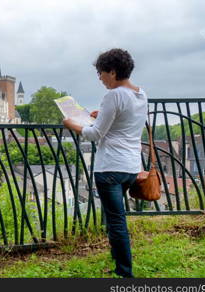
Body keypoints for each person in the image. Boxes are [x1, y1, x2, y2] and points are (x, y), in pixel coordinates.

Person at [63, 48, 148, 278]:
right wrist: (102, 113)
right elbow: (127, 118)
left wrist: (73, 124)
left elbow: (95, 134)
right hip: (131, 167)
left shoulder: (114, 95)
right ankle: (119, 264)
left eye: (100, 73)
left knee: (116, 223)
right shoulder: (140, 94)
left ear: (112, 71)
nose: (99, 78)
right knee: (117, 220)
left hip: (110, 167)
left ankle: (124, 273)